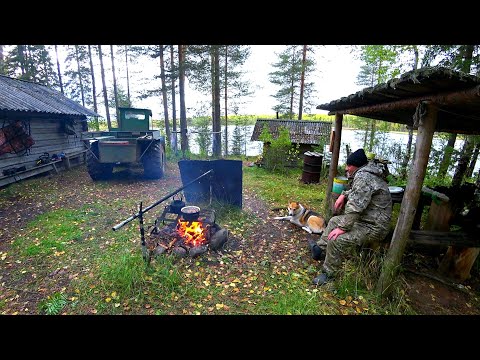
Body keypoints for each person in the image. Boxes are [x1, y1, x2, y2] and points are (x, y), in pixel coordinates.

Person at [311, 148, 393, 286]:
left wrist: (343, 228)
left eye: (349, 165)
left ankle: (329, 274)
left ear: (357, 165)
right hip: (366, 220)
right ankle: (320, 249)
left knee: (336, 239)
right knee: (333, 221)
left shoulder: (364, 177)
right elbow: (358, 192)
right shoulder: (365, 174)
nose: (347, 168)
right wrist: (344, 194)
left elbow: (355, 207)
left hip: (374, 227)